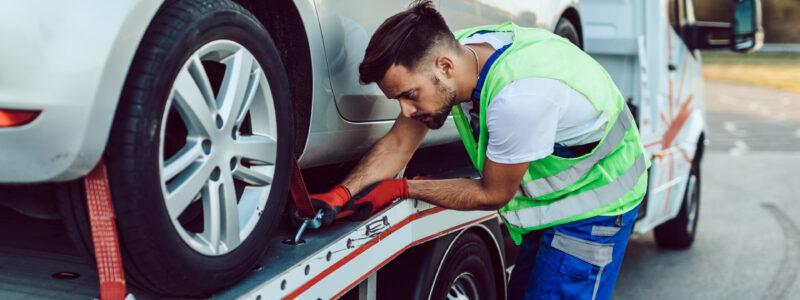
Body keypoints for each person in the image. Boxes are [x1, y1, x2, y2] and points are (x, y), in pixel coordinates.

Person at [311, 1, 650, 298]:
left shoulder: (518, 98)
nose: (406, 111)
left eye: (410, 95)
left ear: (445, 67)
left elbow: (493, 193)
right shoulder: (463, 54)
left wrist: (402, 188)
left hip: (597, 204)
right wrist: (341, 194)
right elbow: (399, 144)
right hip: (556, 205)